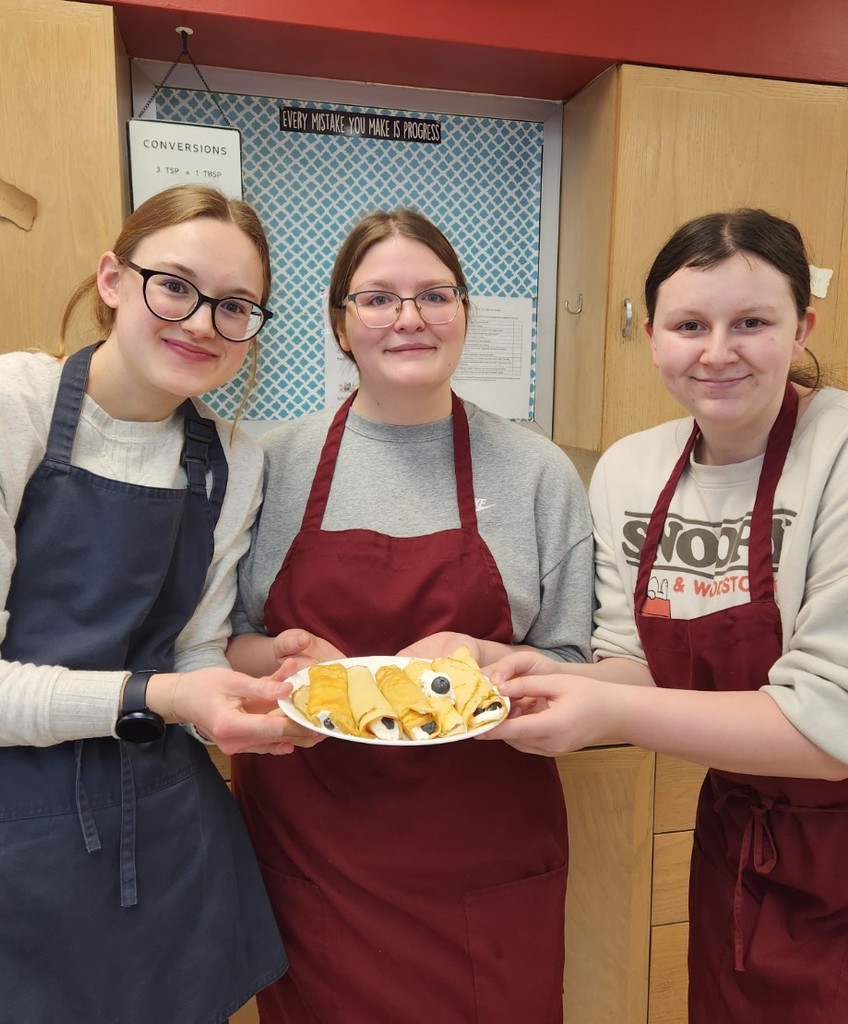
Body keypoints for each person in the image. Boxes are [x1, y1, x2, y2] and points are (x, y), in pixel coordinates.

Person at [0, 184, 319, 1024]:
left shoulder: (233, 458)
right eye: (176, 286)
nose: (202, 322)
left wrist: (258, 692)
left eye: (235, 306)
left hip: (162, 847)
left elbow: (194, 653)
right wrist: (155, 696)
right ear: (113, 280)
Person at [486, 209, 848, 1022]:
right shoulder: (634, 468)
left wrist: (607, 707)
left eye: (752, 322)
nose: (717, 351)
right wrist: (541, 671)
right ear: (652, 336)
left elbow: (833, 733)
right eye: (690, 325)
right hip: (737, 846)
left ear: (802, 330)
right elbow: (635, 657)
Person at [226, 208, 594, 1023]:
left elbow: (575, 660)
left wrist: (485, 652)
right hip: (312, 847)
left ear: (464, 313)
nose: (410, 318)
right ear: (340, 323)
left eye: (435, 295)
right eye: (379, 299)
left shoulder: (538, 470)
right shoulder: (266, 462)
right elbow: (221, 641)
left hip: (484, 848)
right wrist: (280, 661)